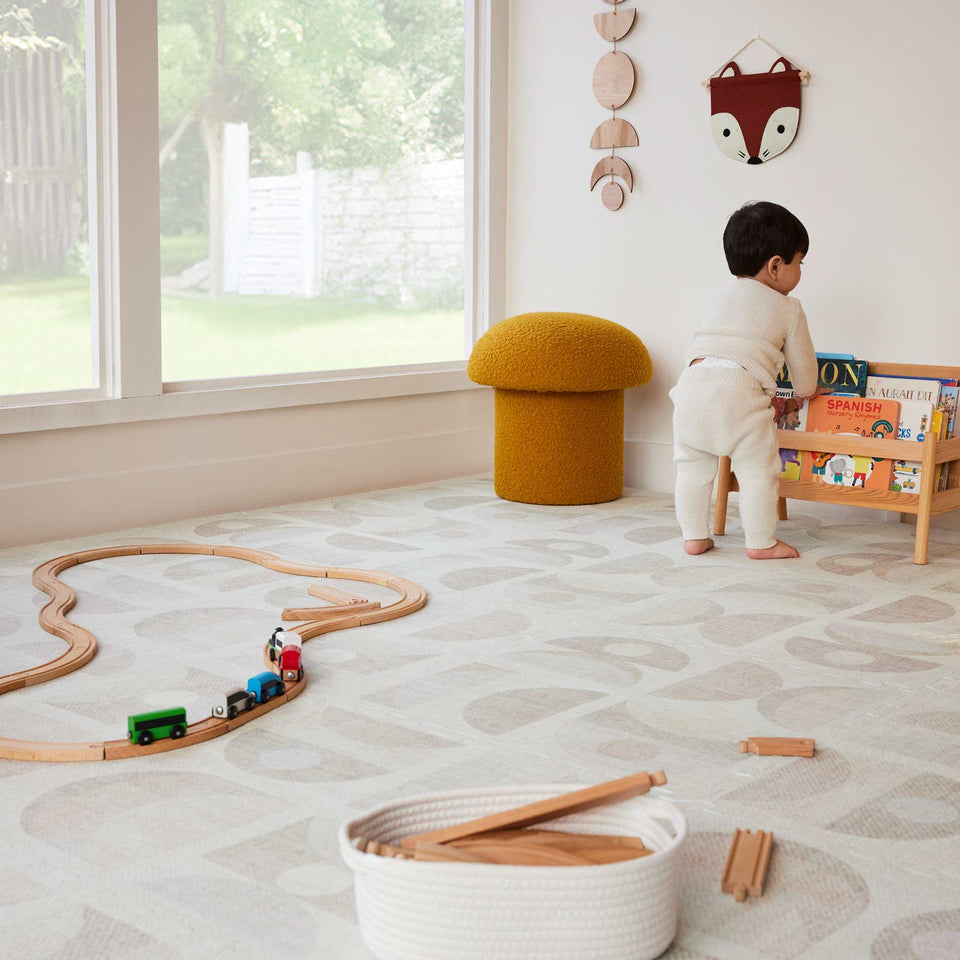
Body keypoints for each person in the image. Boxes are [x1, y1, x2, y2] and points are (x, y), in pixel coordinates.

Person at [669, 201, 818, 560]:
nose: (801, 270)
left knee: (691, 467)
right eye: (800, 261)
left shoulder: (717, 297)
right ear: (776, 266)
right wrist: (807, 391)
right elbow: (805, 380)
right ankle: (761, 542)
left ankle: (693, 537)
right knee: (757, 470)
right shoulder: (789, 307)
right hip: (739, 392)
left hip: (690, 388)